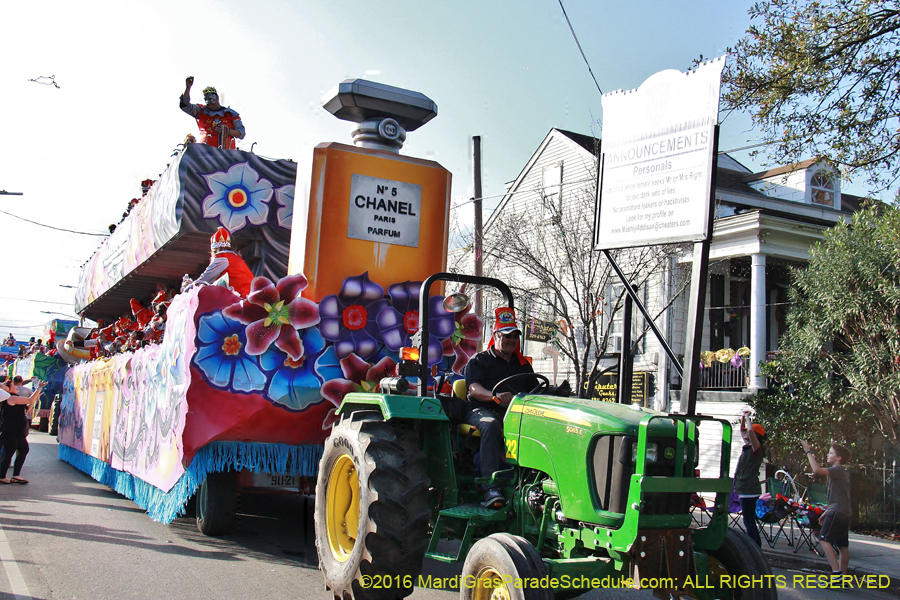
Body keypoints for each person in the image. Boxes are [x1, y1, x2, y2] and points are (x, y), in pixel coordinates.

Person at [464, 307, 537, 509]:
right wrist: (494, 396)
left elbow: (534, 389)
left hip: (514, 412)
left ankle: (531, 481)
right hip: (481, 410)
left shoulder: (522, 364)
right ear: (496, 336)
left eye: (515, 336)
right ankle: (490, 487)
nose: (512, 340)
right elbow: (474, 389)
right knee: (491, 424)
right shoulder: (479, 361)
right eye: (507, 336)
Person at [801, 439, 852, 582]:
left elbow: (816, 470)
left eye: (831, 453)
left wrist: (808, 451)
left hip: (837, 511)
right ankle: (844, 577)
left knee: (823, 539)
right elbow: (838, 496)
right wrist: (826, 512)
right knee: (842, 545)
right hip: (842, 511)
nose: (828, 455)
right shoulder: (839, 472)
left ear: (839, 458)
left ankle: (836, 573)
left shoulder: (837, 469)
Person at [184, 227, 255, 298]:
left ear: (214, 249)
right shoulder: (235, 258)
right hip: (250, 295)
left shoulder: (221, 258)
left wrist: (190, 286)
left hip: (240, 296)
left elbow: (205, 279)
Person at [0, 378, 46, 484]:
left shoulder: (14, 398)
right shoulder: (11, 398)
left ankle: (16, 475)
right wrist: (38, 389)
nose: (16, 388)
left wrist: (35, 398)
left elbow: (27, 409)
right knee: (9, 453)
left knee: (23, 450)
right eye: (14, 387)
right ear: (8, 390)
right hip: (12, 430)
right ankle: (2, 476)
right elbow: (29, 400)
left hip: (18, 429)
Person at [180, 76, 245, 150]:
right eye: (207, 100)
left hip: (227, 153)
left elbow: (241, 133)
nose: (209, 103)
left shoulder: (230, 114)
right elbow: (184, 106)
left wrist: (228, 131)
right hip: (205, 153)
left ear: (217, 97)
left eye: (211, 99)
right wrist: (188, 87)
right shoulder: (201, 111)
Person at [733, 410, 766, 547]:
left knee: (749, 521)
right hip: (744, 488)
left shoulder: (756, 449)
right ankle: (755, 544)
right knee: (748, 520)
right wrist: (742, 418)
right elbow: (743, 430)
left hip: (749, 489)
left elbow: (750, 433)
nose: (746, 433)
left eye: (749, 432)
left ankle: (754, 545)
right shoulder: (747, 448)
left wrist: (747, 417)